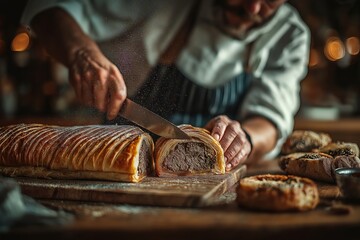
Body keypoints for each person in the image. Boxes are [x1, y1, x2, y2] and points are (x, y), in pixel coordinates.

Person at [21, 0, 310, 171]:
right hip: (120, 159)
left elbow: (271, 120)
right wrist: (82, 53)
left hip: (214, 179)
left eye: (270, 1)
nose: (253, 8)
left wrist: (245, 137)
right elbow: (49, 8)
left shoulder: (290, 35)